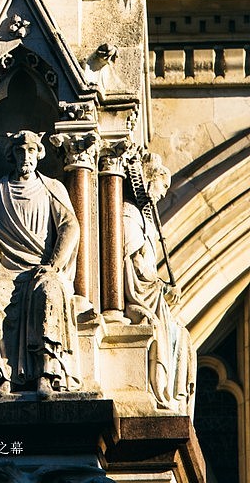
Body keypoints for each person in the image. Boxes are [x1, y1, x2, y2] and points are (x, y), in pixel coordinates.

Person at [0, 130, 80, 397]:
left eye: (31, 150)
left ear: (39, 154)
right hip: (6, 271)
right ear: (11, 155)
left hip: (42, 269)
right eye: (19, 150)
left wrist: (54, 264)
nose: (25, 156)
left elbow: (70, 226)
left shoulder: (52, 188)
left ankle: (47, 373)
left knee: (49, 292)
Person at [123, 155, 196, 413]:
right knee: (159, 330)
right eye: (162, 186)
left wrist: (164, 289)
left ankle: (171, 397)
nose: (164, 194)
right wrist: (163, 288)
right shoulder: (129, 215)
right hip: (136, 295)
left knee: (182, 339)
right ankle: (160, 389)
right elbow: (132, 263)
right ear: (148, 181)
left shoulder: (147, 222)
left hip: (150, 295)